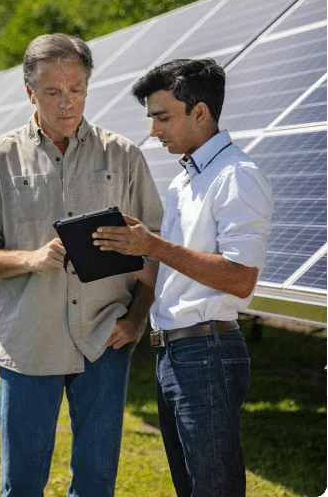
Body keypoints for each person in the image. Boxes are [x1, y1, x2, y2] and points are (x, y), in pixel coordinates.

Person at [0, 33, 164, 497]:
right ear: (29, 91)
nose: (67, 103)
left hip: (105, 342)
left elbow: (154, 250)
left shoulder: (124, 156)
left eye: (78, 89)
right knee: (22, 484)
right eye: (53, 92)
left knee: (96, 482)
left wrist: (136, 317)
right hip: (31, 343)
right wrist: (30, 258)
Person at [92, 58, 273, 497]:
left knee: (214, 490)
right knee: (191, 488)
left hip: (206, 352)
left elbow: (240, 278)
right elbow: (172, 270)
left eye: (162, 117)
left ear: (200, 112)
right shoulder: (187, 182)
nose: (153, 131)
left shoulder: (236, 177)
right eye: (151, 118)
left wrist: (153, 245)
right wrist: (120, 247)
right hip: (174, 354)